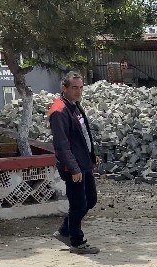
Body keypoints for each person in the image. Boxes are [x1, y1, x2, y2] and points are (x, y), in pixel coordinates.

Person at [49, 71, 101, 255]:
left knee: (91, 200)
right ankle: (77, 242)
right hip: (73, 168)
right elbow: (61, 145)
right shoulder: (59, 111)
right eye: (74, 88)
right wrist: (73, 168)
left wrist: (92, 154)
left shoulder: (74, 106)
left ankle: (65, 231)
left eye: (81, 88)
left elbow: (83, 135)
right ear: (64, 88)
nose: (79, 92)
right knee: (78, 204)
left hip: (84, 163)